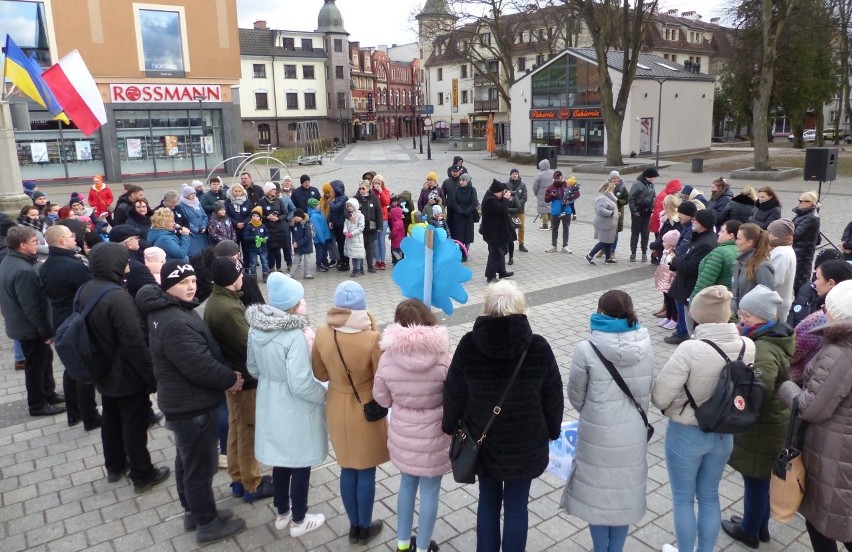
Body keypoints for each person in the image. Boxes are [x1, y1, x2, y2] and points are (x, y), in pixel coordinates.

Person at [443, 280, 563, 552]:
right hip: (526, 442)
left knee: (487, 500)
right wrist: (553, 431)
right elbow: (553, 394)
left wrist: (449, 425)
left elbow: (454, 391)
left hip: (482, 441)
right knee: (517, 506)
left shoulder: (468, 345)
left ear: (487, 307)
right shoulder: (538, 347)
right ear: (521, 309)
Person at [135, 261, 246, 545]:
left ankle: (195, 512)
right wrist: (229, 378)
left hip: (182, 401)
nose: (191, 286)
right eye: (184, 282)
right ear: (168, 285)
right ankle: (207, 524)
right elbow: (199, 365)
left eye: (193, 280)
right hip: (191, 406)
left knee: (187, 462)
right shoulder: (175, 321)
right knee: (200, 467)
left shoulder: (166, 311)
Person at [652, 285, 757, 552]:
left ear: (697, 314)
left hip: (687, 432)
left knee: (683, 499)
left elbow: (660, 397)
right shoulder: (747, 345)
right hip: (724, 432)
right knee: (710, 496)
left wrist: (679, 405)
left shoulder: (690, 349)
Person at [560, 290, 653, 552]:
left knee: (597, 498)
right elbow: (647, 387)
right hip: (633, 432)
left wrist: (595, 412)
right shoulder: (645, 343)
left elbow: (576, 396)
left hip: (597, 434)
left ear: (600, 311)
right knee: (623, 496)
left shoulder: (586, 348)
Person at [82, 243, 170, 492]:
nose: (129, 264)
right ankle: (142, 474)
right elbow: (135, 342)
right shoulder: (117, 296)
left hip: (103, 368)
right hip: (125, 372)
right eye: (125, 261)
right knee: (134, 424)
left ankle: (114, 465)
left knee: (111, 418)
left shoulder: (87, 289)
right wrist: (151, 377)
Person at [246, 273, 328, 536]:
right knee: (300, 462)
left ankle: (282, 513)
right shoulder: (293, 335)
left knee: (281, 461)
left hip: (270, 400)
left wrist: (272, 381)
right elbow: (301, 383)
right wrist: (325, 395)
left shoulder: (256, 327)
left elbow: (252, 367)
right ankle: (300, 520)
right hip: (295, 407)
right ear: (293, 304)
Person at [312, 281, 389, 545]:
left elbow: (319, 373)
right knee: (366, 469)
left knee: (347, 467)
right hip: (365, 405)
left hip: (336, 403)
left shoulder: (322, 332)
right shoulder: (371, 338)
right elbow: (382, 378)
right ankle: (364, 528)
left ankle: (353, 526)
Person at [373, 299, 452, 552]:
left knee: (406, 486)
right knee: (430, 491)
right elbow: (454, 394)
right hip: (436, 433)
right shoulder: (443, 357)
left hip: (404, 433)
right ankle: (423, 546)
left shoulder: (387, 358)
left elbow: (382, 398)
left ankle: (403, 544)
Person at [779, 280, 852, 552]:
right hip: (842, 446)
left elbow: (811, 407)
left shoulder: (841, 353)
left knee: (824, 521)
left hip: (835, 450)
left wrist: (785, 386)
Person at [720, 285, 793, 548]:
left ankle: (749, 531)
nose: (742, 318)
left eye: (747, 314)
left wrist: (738, 400)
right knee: (761, 479)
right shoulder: (772, 335)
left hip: (763, 425)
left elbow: (760, 387)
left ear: (762, 316)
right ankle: (760, 527)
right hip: (772, 421)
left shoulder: (763, 348)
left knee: (754, 479)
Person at [204, 256, 275, 503]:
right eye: (239, 273)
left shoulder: (222, 300)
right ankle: (251, 484)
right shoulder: (228, 309)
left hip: (234, 375)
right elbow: (251, 344)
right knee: (248, 431)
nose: (243, 277)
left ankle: (238, 477)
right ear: (231, 279)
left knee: (237, 427)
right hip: (244, 378)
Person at [0, 226, 64, 416]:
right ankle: (37, 404)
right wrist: (47, 331)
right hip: (30, 328)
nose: (38, 244)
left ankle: (49, 394)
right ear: (22, 245)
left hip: (23, 325)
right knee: (36, 366)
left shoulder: (10, 260)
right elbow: (33, 306)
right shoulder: (23, 271)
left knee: (44, 360)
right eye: (34, 242)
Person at [40, 225, 99, 429]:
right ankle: (89, 416)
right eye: (70, 236)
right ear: (61, 241)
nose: (75, 238)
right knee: (84, 370)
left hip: (61, 320)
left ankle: (74, 413)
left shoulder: (47, 264)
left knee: (71, 369)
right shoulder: (73, 266)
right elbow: (90, 291)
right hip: (76, 322)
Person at [789, 259, 852, 385]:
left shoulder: (819, 318)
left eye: (817, 278)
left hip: (803, 380)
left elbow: (792, 351)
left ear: (831, 283)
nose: (814, 283)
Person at [665, 209, 719, 345]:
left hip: (689, 283)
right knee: (680, 306)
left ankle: (682, 333)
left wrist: (674, 260)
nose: (693, 221)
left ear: (703, 223)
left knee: (684, 310)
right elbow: (688, 254)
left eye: (696, 219)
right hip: (684, 281)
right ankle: (680, 330)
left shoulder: (706, 243)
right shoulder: (700, 236)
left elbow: (692, 266)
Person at [690, 220, 741, 304]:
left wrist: (694, 301)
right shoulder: (741, 251)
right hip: (731, 299)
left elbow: (705, 280)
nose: (718, 233)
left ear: (730, 235)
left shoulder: (719, 253)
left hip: (715, 300)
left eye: (722, 231)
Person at [731, 223, 775, 315]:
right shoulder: (739, 262)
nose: (736, 242)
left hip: (751, 319)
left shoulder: (762, 266)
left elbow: (766, 298)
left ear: (749, 242)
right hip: (737, 316)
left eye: (739, 239)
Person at [481, 180, 515, 284]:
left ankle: (502, 272)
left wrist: (506, 199)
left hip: (498, 232)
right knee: (495, 254)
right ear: (497, 191)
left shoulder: (493, 198)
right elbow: (501, 209)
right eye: (502, 192)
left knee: (501, 252)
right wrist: (505, 199)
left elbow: (502, 207)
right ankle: (490, 276)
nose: (503, 194)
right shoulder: (489, 201)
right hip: (493, 233)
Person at [258, 181, 295, 274]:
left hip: (281, 229)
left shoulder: (279, 200)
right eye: (273, 189)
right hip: (269, 229)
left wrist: (278, 218)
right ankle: (271, 266)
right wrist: (267, 217)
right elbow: (257, 215)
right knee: (270, 249)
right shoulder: (261, 201)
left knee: (285, 247)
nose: (275, 191)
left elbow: (286, 213)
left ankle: (288, 264)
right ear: (268, 190)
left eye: (275, 189)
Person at [792, 190, 821, 295]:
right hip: (797, 251)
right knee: (795, 280)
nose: (799, 203)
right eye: (799, 200)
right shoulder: (802, 214)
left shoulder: (811, 217)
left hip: (802, 254)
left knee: (800, 282)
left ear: (810, 203)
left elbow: (796, 235)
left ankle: (801, 305)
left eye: (801, 201)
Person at [767, 219, 797, 320]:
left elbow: (775, 281)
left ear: (777, 235)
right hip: (777, 301)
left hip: (776, 303)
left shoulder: (781, 253)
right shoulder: (782, 249)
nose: (768, 235)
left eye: (770, 233)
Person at [584, 179, 619, 265]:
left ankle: (608, 258)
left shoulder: (609, 197)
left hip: (610, 224)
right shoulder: (602, 198)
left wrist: (616, 213)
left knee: (609, 241)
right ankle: (590, 255)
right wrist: (611, 213)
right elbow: (600, 210)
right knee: (604, 241)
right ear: (608, 188)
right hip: (604, 224)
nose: (613, 190)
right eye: (612, 188)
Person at [628, 167, 658, 262]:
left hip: (647, 212)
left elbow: (654, 195)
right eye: (652, 177)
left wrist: (653, 205)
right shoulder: (637, 184)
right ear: (647, 176)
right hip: (638, 212)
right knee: (635, 234)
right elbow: (631, 198)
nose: (653, 179)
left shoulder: (651, 184)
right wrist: (634, 211)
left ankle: (644, 253)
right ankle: (633, 253)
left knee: (646, 234)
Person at [656, 229, 682, 330]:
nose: (663, 243)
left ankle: (675, 319)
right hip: (664, 279)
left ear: (671, 244)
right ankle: (669, 316)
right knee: (667, 299)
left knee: (672, 300)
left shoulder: (673, 255)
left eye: (665, 241)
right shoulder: (665, 252)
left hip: (671, 279)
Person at [449, 173, 478, 262]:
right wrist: (460, 211)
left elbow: (473, 203)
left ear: (467, 181)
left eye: (463, 180)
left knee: (467, 236)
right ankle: (460, 251)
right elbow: (453, 202)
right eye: (460, 180)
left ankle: (466, 252)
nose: (461, 182)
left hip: (469, 216)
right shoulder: (456, 189)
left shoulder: (472, 190)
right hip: (458, 216)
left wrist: (467, 212)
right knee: (459, 235)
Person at [356, 180, 382, 273]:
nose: (361, 190)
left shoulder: (374, 198)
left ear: (368, 189)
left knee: (370, 248)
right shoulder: (356, 198)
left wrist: (379, 226)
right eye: (360, 188)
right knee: (360, 248)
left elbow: (378, 212)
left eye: (363, 188)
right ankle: (360, 267)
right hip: (360, 228)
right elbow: (348, 209)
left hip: (371, 227)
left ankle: (370, 266)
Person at [544, 170, 572, 253]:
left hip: (566, 211)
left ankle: (565, 246)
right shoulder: (550, 187)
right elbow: (546, 200)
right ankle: (553, 245)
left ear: (562, 177)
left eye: (558, 178)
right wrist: (551, 195)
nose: (556, 180)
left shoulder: (568, 185)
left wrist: (569, 200)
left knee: (566, 228)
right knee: (554, 228)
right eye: (555, 178)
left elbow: (576, 195)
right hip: (555, 211)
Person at [225, 183, 253, 260]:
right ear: (231, 192)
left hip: (245, 228)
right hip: (233, 229)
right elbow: (226, 214)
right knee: (235, 250)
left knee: (246, 249)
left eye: (239, 191)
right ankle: (237, 266)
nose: (237, 193)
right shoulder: (227, 202)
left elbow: (250, 214)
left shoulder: (247, 201)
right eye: (235, 191)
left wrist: (244, 223)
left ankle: (247, 267)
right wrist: (236, 223)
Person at [327, 180, 350, 272]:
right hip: (335, 223)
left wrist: (331, 201)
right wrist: (329, 220)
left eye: (332, 188)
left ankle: (346, 262)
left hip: (341, 224)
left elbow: (335, 208)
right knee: (339, 244)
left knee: (343, 244)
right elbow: (331, 212)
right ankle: (341, 261)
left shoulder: (343, 197)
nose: (330, 189)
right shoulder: (336, 197)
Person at [242, 206, 270, 280]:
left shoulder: (263, 226)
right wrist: (254, 238)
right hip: (252, 249)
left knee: (265, 262)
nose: (255, 217)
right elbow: (245, 237)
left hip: (263, 248)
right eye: (253, 216)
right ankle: (253, 277)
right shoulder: (249, 226)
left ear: (260, 218)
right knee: (253, 263)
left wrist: (265, 239)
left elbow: (267, 235)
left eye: (257, 216)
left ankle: (265, 275)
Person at [506, 168, 529, 253]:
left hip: (520, 210)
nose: (514, 175)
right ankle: (508, 243)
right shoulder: (507, 184)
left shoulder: (522, 185)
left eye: (516, 173)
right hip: (510, 210)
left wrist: (517, 204)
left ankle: (521, 244)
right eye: (513, 174)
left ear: (518, 175)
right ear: (510, 175)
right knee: (510, 227)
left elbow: (524, 197)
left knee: (521, 227)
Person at [371, 175, 391, 269]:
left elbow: (386, 202)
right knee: (375, 241)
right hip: (373, 219)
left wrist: (381, 192)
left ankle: (382, 261)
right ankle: (377, 260)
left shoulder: (386, 191)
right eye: (376, 183)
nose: (377, 185)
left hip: (383, 219)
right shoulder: (371, 192)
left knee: (381, 240)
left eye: (379, 183)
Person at [307, 198, 332, 272]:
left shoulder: (319, 212)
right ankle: (319, 265)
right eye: (317, 204)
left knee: (324, 252)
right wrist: (322, 239)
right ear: (313, 206)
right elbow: (317, 229)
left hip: (325, 237)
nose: (319, 205)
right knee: (320, 252)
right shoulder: (314, 216)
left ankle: (324, 263)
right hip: (320, 239)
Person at [344, 198, 366, 277]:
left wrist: (352, 233)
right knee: (352, 255)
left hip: (357, 238)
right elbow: (345, 225)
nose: (349, 208)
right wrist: (345, 232)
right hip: (350, 238)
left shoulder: (360, 215)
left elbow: (361, 227)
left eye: (351, 206)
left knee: (358, 255)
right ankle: (354, 269)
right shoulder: (348, 216)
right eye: (348, 206)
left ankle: (358, 269)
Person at [290, 209, 314, 279]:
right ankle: (291, 274)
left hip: (306, 246)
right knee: (296, 261)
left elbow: (308, 237)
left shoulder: (306, 225)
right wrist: (293, 242)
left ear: (302, 217)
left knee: (307, 261)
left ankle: (307, 273)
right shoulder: (295, 224)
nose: (296, 217)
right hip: (298, 247)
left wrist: (298, 243)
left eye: (298, 216)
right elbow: (294, 235)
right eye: (295, 216)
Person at [532, 159, 554, 230]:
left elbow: (535, 186)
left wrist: (536, 193)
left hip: (541, 195)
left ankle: (545, 225)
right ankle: (553, 225)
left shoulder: (539, 175)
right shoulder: (553, 173)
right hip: (551, 194)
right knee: (550, 208)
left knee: (543, 209)